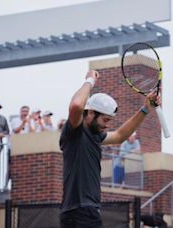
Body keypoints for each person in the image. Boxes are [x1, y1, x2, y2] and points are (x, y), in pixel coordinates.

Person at [59, 70, 160, 227]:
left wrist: (145, 109)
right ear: (91, 113)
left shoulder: (95, 136)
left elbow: (120, 135)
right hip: (80, 211)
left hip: (84, 211)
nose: (107, 125)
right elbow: (77, 105)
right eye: (105, 120)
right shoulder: (75, 132)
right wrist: (90, 80)